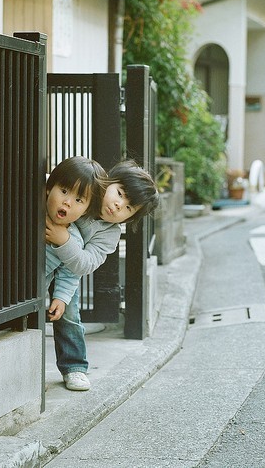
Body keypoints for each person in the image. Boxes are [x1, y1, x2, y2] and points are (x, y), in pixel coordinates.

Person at [46, 158, 159, 391]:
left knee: (69, 315)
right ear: (106, 181)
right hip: (45, 261)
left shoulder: (109, 234)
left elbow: (84, 264)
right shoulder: (82, 191)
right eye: (119, 193)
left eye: (128, 208)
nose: (118, 205)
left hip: (70, 272)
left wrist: (64, 240)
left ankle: (74, 366)